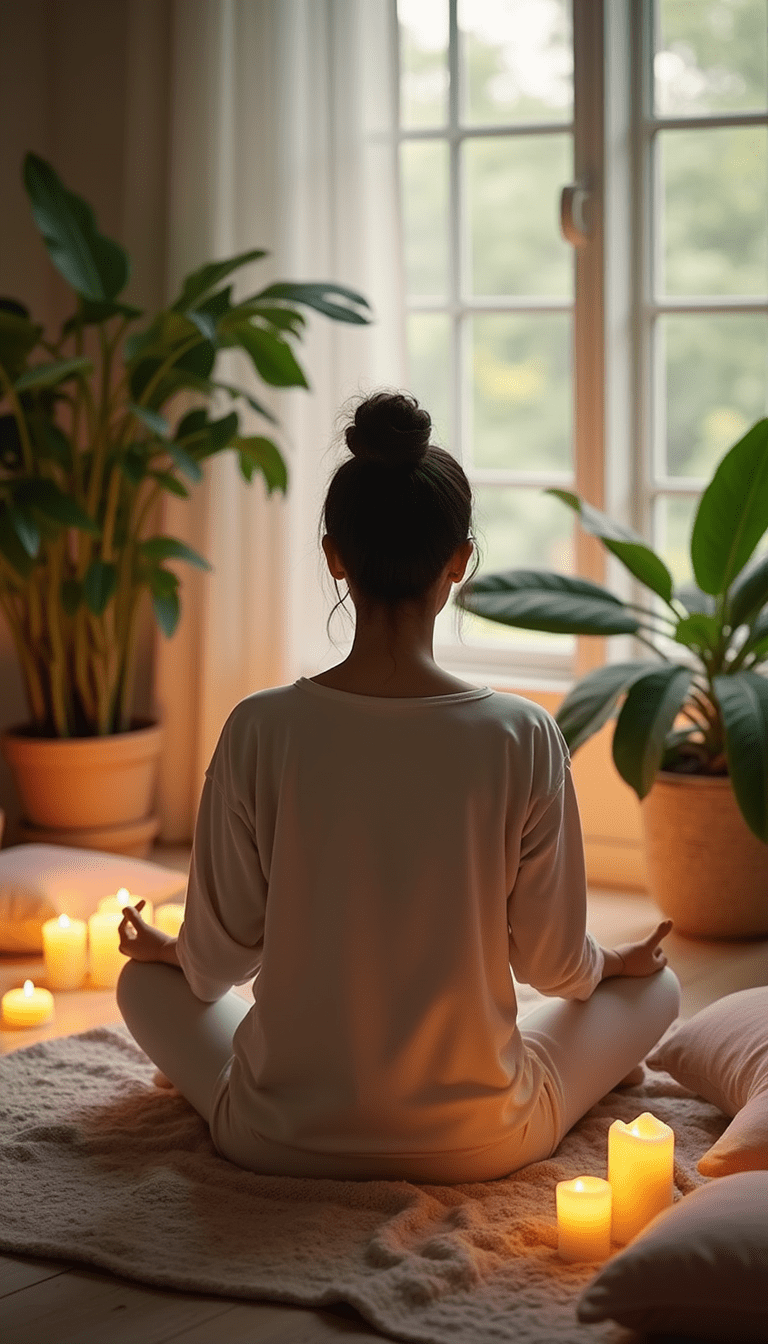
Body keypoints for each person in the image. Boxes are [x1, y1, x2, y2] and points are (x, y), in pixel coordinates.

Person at [117, 391, 680, 1184]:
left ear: (333, 555)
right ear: (460, 562)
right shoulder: (522, 734)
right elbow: (554, 967)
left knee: (143, 982)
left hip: (272, 1135)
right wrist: (610, 964)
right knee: (660, 988)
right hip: (485, 1141)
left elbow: (214, 970)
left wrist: (170, 951)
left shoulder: (259, 728)